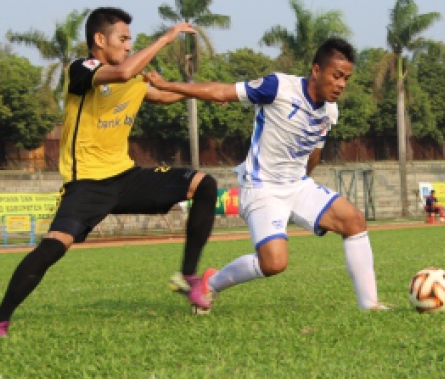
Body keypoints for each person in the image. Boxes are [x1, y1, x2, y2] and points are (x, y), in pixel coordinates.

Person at [0, 7, 218, 337]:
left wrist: (204, 91)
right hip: (88, 185)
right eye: (123, 39)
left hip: (126, 177)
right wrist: (165, 39)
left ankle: (188, 277)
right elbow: (122, 73)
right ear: (99, 39)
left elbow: (162, 95)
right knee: (53, 247)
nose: (127, 46)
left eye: (130, 41)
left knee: (203, 183)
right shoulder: (82, 70)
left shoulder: (132, 76)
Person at [145, 38, 387, 311]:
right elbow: (220, 92)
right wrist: (168, 86)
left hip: (297, 186)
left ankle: (371, 306)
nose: (342, 84)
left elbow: (315, 153)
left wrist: (301, 188)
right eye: (337, 76)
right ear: (317, 70)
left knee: (354, 220)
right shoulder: (279, 87)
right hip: (262, 188)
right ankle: (210, 284)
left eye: (347, 78)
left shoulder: (330, 111)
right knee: (274, 263)